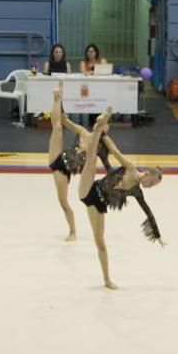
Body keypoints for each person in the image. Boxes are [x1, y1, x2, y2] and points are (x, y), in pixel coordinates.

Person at [77, 108, 163, 289]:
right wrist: (103, 135)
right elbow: (114, 151)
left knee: (100, 243)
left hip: (98, 205)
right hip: (90, 190)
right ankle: (99, 125)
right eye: (151, 182)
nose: (150, 186)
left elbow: (148, 212)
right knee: (91, 159)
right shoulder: (131, 167)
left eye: (153, 186)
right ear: (147, 174)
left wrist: (157, 234)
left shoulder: (137, 191)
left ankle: (107, 279)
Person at [47, 83, 112, 241]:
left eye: (106, 126)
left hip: (63, 170)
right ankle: (57, 96)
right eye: (103, 124)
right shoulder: (83, 132)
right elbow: (65, 122)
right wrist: (61, 109)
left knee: (63, 202)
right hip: (58, 156)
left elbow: (92, 169)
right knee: (57, 128)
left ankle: (73, 232)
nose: (104, 127)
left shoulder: (94, 149)